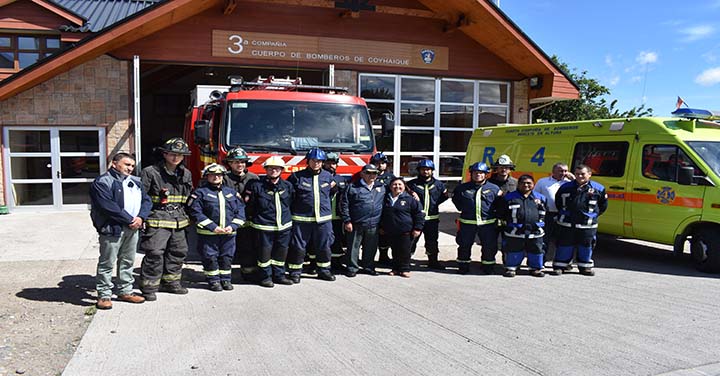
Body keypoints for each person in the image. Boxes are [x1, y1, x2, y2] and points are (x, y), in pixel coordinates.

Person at [90, 152, 152, 310]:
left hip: (133, 228)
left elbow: (146, 200)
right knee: (107, 262)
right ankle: (104, 295)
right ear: (114, 164)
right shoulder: (103, 182)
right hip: (113, 229)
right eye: (126, 164)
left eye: (132, 165)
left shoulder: (136, 182)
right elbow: (108, 206)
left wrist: (141, 218)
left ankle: (125, 291)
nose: (130, 168)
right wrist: (130, 220)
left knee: (128, 260)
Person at [139, 137, 194, 301]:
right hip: (157, 218)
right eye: (172, 154)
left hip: (179, 220)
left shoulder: (186, 173)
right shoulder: (150, 172)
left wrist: (191, 216)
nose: (175, 157)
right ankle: (149, 287)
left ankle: (171, 283)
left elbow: (189, 197)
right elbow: (142, 197)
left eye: (179, 154)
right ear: (164, 154)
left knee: (178, 252)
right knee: (155, 252)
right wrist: (142, 218)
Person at [187, 163, 246, 291]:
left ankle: (225, 280)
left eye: (219, 175)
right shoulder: (200, 193)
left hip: (228, 233)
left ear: (223, 176)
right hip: (209, 234)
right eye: (212, 175)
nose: (216, 177)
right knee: (210, 257)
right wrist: (212, 227)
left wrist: (233, 226)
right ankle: (213, 281)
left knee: (227, 257)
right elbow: (195, 212)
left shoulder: (231, 193)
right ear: (206, 176)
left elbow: (241, 211)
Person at [286, 148, 337, 283]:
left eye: (319, 161)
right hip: (301, 219)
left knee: (324, 246)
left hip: (323, 219)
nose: (316, 163)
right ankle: (295, 272)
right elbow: (289, 196)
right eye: (314, 161)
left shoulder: (328, 176)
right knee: (298, 247)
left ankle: (324, 271)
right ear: (308, 161)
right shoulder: (296, 177)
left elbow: (332, 193)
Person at [244, 156, 295, 288]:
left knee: (281, 253)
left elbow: (291, 203)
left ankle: (279, 275)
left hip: (283, 227)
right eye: (270, 168)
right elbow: (250, 206)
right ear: (266, 170)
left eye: (277, 168)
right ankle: (265, 277)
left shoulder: (288, 186)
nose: (274, 171)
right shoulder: (256, 186)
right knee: (264, 254)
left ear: (281, 170)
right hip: (263, 226)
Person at [553, 164, 608, 276]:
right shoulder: (565, 187)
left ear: (589, 174)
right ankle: (561, 265)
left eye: (582, 174)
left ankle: (585, 266)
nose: (579, 176)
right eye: (577, 174)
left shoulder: (599, 188)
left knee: (586, 246)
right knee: (564, 245)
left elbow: (603, 206)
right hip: (567, 223)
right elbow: (558, 202)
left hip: (587, 225)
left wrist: (591, 216)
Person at [452, 162, 501, 274]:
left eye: (480, 173)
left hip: (487, 224)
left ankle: (487, 267)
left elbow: (499, 204)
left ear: (486, 174)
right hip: (467, 223)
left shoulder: (494, 188)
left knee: (489, 246)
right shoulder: (462, 188)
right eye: (475, 173)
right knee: (464, 245)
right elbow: (457, 201)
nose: (478, 175)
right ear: (471, 174)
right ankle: (463, 266)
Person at [340, 164, 386, 277]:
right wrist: (347, 221)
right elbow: (344, 204)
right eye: (368, 173)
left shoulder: (381, 187)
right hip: (356, 223)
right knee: (353, 248)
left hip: (374, 223)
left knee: (371, 247)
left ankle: (368, 267)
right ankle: (352, 268)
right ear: (362, 174)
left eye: (374, 173)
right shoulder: (352, 187)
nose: (371, 175)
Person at [497, 175, 547, 278]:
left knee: (536, 250)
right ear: (518, 184)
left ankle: (535, 268)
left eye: (529, 183)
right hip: (515, 231)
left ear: (533, 184)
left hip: (535, 232)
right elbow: (501, 213)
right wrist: (504, 226)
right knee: (513, 250)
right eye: (523, 183)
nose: (526, 185)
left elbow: (545, 212)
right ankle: (511, 268)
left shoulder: (540, 198)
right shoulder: (509, 197)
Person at [222, 147, 260, 282]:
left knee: (248, 248)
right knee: (226, 249)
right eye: (236, 162)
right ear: (229, 163)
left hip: (248, 220)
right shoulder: (223, 178)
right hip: (228, 220)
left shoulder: (253, 178)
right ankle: (223, 275)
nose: (240, 165)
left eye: (243, 162)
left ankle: (248, 273)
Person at [407, 159, 448, 270]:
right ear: (419, 170)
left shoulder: (439, 185)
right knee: (411, 241)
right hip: (416, 219)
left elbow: (444, 197)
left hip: (432, 219)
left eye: (428, 170)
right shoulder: (411, 185)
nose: (425, 172)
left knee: (432, 241)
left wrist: (433, 205)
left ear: (432, 171)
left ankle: (433, 261)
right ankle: (406, 262)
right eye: (423, 169)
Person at [381, 178, 425, 277]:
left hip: (406, 231)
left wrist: (418, 228)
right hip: (391, 231)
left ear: (404, 186)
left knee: (405, 251)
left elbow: (419, 214)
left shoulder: (410, 199)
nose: (397, 187)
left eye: (400, 184)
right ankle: (395, 269)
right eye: (394, 184)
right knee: (394, 251)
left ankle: (405, 269)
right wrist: (382, 227)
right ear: (390, 186)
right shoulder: (386, 198)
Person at [533, 162, 574, 264]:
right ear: (553, 171)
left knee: (563, 241)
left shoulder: (570, 183)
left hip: (563, 214)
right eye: (560, 171)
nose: (563, 173)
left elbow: (582, 187)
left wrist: (573, 179)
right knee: (544, 239)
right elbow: (535, 196)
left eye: (565, 171)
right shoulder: (543, 182)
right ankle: (541, 261)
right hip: (547, 214)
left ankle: (562, 262)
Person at [324, 152, 350, 272]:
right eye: (328, 163)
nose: (331, 165)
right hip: (323, 216)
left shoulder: (341, 179)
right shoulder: (320, 178)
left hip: (337, 217)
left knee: (337, 241)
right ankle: (317, 263)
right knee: (321, 241)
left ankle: (336, 263)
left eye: (333, 163)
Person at [370, 152, 396, 266]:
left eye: (383, 163)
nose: (380, 165)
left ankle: (383, 256)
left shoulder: (391, 177)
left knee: (384, 234)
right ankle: (368, 259)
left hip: (385, 209)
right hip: (372, 209)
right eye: (377, 163)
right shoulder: (368, 175)